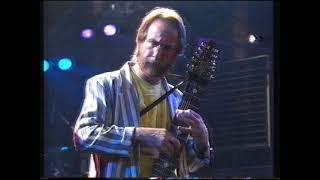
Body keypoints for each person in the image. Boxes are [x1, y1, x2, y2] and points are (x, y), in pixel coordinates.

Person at [73, 7, 212, 178]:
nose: (158, 52)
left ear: (177, 53)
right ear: (140, 40)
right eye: (153, 43)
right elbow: (83, 136)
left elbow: (189, 165)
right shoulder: (105, 84)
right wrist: (140, 135)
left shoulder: (178, 100)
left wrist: (203, 142)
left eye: (167, 47)